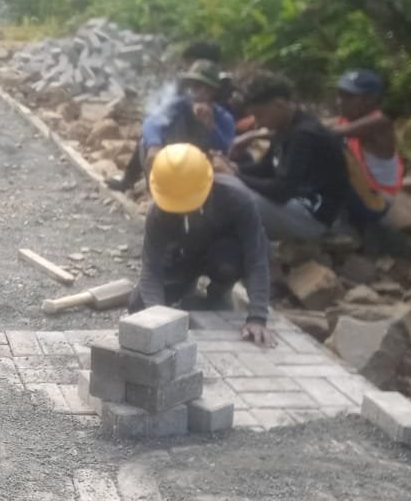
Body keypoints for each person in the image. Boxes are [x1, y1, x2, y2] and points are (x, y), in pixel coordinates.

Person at [129, 144, 276, 348]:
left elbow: (256, 260)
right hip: (188, 253)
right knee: (138, 305)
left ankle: (219, 293)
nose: (182, 210)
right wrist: (156, 316)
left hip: (225, 255)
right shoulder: (159, 212)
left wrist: (258, 317)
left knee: (226, 262)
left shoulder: (237, 199)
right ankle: (190, 292)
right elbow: (151, 269)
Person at [217, 72, 389, 240]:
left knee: (226, 195)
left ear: (278, 104)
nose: (258, 123)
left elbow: (281, 191)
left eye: (259, 115)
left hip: (312, 216)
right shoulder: (286, 127)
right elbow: (267, 167)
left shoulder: (304, 134)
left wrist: (235, 175)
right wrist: (234, 167)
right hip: (294, 205)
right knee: (223, 184)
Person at [106, 60, 236, 192]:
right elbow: (151, 122)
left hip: (199, 171)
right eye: (192, 85)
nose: (194, 91)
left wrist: (210, 127)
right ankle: (128, 180)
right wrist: (154, 145)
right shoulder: (179, 106)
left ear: (212, 92)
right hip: (171, 162)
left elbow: (226, 148)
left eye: (200, 87)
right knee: (145, 140)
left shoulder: (223, 118)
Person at [334, 69, 403, 197]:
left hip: (381, 197)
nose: (339, 101)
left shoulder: (379, 123)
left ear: (370, 100)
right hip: (361, 193)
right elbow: (319, 126)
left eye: (348, 96)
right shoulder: (348, 120)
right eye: (339, 95)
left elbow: (325, 132)